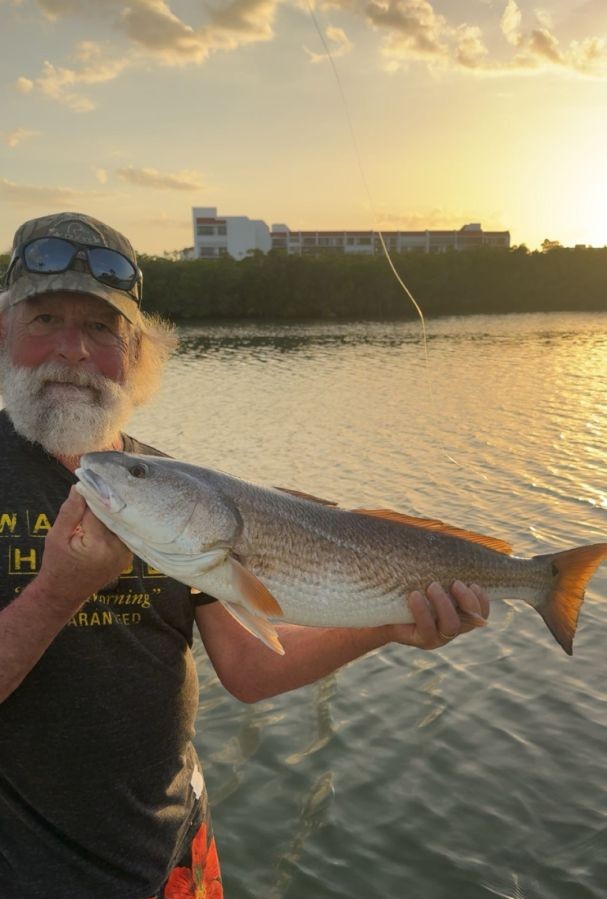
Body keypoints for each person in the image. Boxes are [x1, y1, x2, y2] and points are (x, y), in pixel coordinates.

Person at [0, 212, 490, 899]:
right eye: (44, 318)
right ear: (3, 332)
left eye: (103, 327)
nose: (73, 350)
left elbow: (249, 667)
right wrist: (56, 591)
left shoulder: (178, 490)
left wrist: (387, 623)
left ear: (137, 352)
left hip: (173, 860)